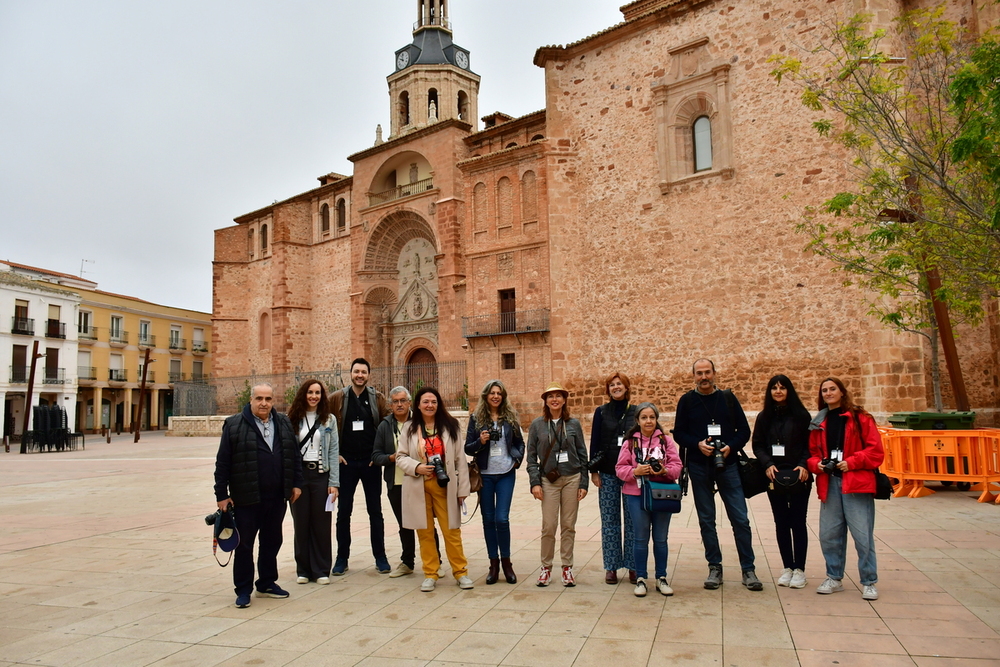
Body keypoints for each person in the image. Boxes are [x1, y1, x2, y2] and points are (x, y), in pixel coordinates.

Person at [672, 358, 763, 591]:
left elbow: (744, 430)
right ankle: (715, 566)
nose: (704, 377)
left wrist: (730, 447)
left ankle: (748, 568)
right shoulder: (687, 401)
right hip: (699, 467)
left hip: (729, 465)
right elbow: (679, 434)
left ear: (715, 373)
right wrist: (697, 444)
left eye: (707, 372)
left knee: (740, 519)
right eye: (699, 373)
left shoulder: (727, 399)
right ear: (693, 376)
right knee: (706, 520)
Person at [214, 383, 303, 608]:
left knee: (272, 541)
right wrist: (221, 495)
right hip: (246, 497)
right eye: (260, 398)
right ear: (251, 400)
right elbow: (223, 462)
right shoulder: (234, 425)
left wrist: (296, 484)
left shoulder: (282, 422)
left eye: (268, 399)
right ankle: (243, 589)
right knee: (244, 545)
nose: (264, 403)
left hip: (276, 497)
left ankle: (266, 583)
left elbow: (294, 455)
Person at [807, 377, 884, 601]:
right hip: (829, 482)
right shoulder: (818, 422)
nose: (828, 393)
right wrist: (816, 465)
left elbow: (876, 452)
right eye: (824, 391)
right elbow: (811, 454)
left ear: (842, 392)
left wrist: (853, 461)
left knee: (862, 535)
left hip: (856, 483)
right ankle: (834, 576)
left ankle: (869, 581)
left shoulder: (861, 419)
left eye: (833, 389)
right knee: (829, 534)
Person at [395, 386, 474, 592]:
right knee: (425, 531)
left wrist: (463, 489)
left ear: (438, 405)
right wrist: (417, 467)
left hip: (444, 485)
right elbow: (401, 457)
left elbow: (460, 460)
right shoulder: (410, 428)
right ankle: (430, 572)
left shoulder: (451, 426)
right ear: (418, 405)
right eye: (425, 402)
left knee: (451, 530)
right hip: (419, 484)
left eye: (433, 402)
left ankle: (461, 571)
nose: (430, 405)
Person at [328, 358, 391, 575]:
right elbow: (323, 422)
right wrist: (333, 454)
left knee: (375, 511)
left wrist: (380, 454)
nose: (360, 375)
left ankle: (380, 557)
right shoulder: (338, 398)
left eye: (363, 372)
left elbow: (387, 424)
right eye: (356, 371)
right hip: (346, 463)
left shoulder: (377, 398)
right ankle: (341, 558)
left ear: (368, 374)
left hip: (370, 462)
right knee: (344, 512)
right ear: (351, 373)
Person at [615, 402, 682, 597]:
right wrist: (635, 471)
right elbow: (619, 468)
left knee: (661, 538)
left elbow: (677, 465)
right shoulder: (630, 443)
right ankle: (641, 578)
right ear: (637, 420)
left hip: (662, 494)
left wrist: (665, 470)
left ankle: (661, 577)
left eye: (652, 417)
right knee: (640, 537)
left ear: (656, 419)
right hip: (636, 495)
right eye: (644, 418)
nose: (648, 421)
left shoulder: (666, 441)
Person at [371, 386, 439, 577]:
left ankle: (437, 561)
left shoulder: (419, 422)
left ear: (410, 402)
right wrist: (393, 458)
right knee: (404, 525)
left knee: (426, 523)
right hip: (397, 482)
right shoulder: (385, 426)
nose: (399, 404)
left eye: (403, 400)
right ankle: (407, 562)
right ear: (390, 405)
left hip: (421, 480)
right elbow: (376, 455)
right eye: (395, 401)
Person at [752, 375, 812, 589]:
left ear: (789, 390)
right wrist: (767, 464)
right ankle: (787, 566)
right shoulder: (764, 417)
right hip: (774, 475)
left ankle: (800, 569)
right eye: (774, 388)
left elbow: (810, 444)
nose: (778, 391)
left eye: (782, 388)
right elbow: (757, 445)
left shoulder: (801, 416)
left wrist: (804, 464)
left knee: (798, 521)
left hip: (799, 474)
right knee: (781, 522)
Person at [526, 381, 589, 587]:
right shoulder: (537, 425)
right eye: (550, 396)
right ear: (545, 400)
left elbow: (582, 454)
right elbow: (531, 457)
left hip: (572, 478)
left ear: (564, 400)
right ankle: (546, 567)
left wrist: (584, 483)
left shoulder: (573, 424)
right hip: (548, 481)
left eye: (558, 396)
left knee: (569, 525)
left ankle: (567, 567)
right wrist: (535, 482)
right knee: (549, 525)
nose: (555, 400)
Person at [465, 379, 525, 585]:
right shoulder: (476, 418)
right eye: (492, 393)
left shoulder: (510, 418)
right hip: (485, 475)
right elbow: (468, 448)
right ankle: (494, 564)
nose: (495, 396)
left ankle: (507, 563)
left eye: (499, 393)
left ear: (503, 396)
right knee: (488, 520)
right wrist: (481, 441)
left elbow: (519, 442)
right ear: (485, 396)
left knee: (502, 519)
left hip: (506, 473)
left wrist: (516, 460)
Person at [286, 379, 339, 585]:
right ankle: (304, 569)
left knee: (321, 523)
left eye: (317, 393)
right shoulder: (292, 419)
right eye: (310, 392)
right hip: (299, 477)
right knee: (301, 522)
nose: (313, 396)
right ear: (303, 394)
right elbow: (288, 452)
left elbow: (334, 452)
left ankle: (321, 569)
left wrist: (334, 482)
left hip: (320, 476)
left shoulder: (329, 420)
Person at [589, 371, 639, 585]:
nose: (616, 387)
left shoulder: (637, 412)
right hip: (608, 473)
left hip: (630, 474)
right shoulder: (601, 412)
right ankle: (611, 566)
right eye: (612, 385)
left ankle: (633, 565)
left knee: (632, 520)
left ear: (626, 387)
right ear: (608, 389)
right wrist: (593, 471)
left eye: (620, 384)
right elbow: (595, 442)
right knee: (609, 520)